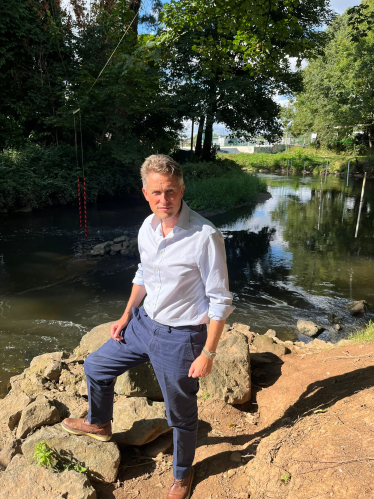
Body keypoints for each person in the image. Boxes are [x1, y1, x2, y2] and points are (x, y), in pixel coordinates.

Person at [61, 154, 234, 499]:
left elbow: (221, 301)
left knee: (180, 415)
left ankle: (183, 475)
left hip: (181, 337)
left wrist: (208, 352)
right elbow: (143, 275)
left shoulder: (204, 236)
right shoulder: (147, 227)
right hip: (142, 324)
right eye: (156, 193)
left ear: (182, 189)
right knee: (96, 365)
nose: (164, 200)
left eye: (170, 192)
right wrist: (126, 314)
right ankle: (99, 422)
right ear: (145, 193)